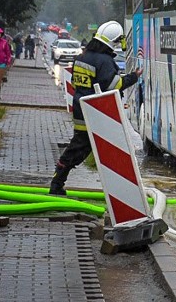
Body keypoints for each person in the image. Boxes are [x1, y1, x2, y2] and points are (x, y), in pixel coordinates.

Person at [49, 21, 141, 196]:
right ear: (113, 41)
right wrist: (133, 77)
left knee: (80, 147)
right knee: (107, 150)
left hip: (80, 107)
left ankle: (58, 181)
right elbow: (114, 85)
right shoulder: (105, 61)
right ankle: (122, 192)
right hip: (99, 112)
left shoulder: (82, 57)